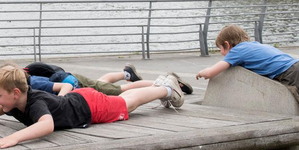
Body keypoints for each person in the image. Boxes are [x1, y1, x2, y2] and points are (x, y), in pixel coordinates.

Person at [0, 63, 184, 149]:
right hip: (80, 98)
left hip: (89, 107)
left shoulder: (35, 102)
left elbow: (47, 126)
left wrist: (15, 138)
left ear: (15, 93)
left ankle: (166, 89)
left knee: (127, 103)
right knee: (123, 98)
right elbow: (0, 108)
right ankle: (160, 86)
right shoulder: (13, 101)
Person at [24, 61, 193, 97]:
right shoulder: (26, 75)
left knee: (122, 90)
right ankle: (127, 73)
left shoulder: (35, 83)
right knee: (101, 83)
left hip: (74, 82)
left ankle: (166, 83)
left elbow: (65, 86)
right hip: (74, 79)